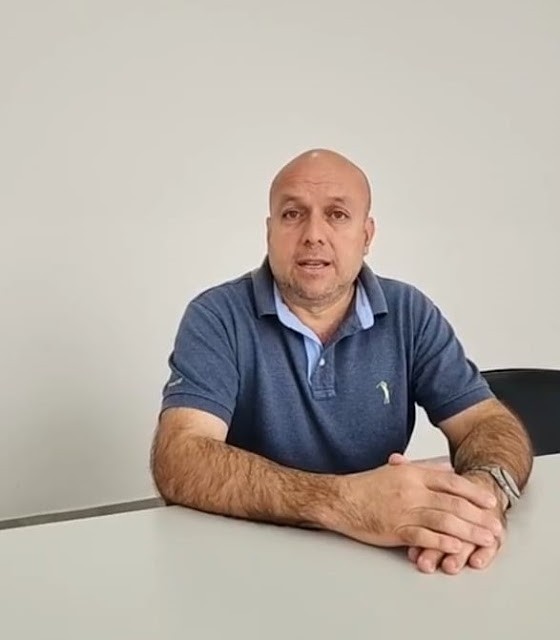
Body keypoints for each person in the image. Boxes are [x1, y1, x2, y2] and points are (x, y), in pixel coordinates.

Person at [150, 149, 533, 575]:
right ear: (269, 231)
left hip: (380, 564)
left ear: (366, 235)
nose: (313, 234)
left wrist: (481, 499)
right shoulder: (217, 316)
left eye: (337, 215)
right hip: (245, 563)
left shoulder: (409, 312)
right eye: (293, 214)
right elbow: (180, 457)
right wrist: (344, 502)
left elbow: (486, 423)